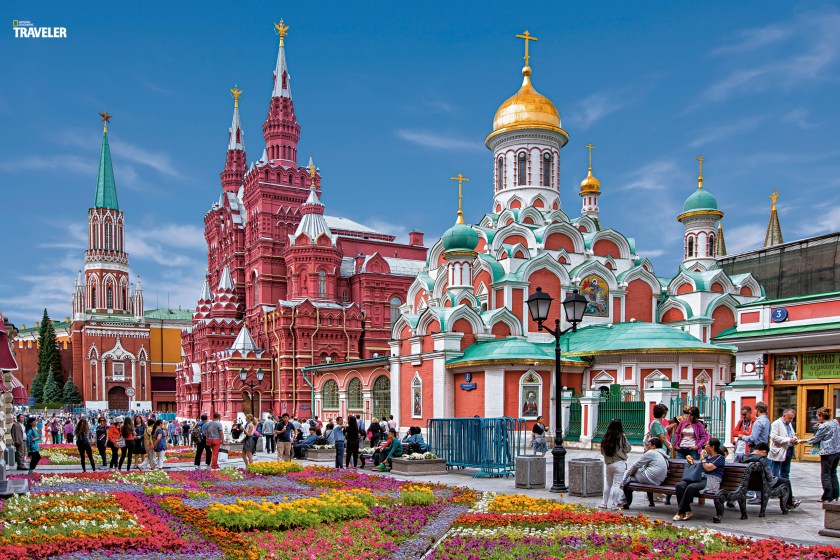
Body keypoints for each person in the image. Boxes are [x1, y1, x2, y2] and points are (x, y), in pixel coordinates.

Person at [673, 437, 727, 521]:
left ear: (712, 447)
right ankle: (687, 511)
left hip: (712, 480)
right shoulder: (706, 456)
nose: (704, 446)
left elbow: (708, 468)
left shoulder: (720, 458)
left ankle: (680, 511)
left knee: (691, 487)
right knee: (680, 485)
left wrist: (702, 457)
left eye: (706, 445)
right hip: (700, 478)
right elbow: (701, 467)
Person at [740, 441, 801, 510]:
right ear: (764, 451)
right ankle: (789, 504)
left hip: (746, 484)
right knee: (786, 481)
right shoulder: (761, 460)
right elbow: (769, 477)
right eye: (766, 454)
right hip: (762, 484)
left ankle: (790, 503)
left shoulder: (742, 457)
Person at [620, 438, 669, 508]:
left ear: (654, 446)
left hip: (650, 478)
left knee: (630, 478)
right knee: (633, 475)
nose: (647, 446)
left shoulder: (652, 452)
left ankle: (624, 501)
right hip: (658, 481)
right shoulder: (662, 453)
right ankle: (623, 494)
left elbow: (637, 465)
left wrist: (629, 475)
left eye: (649, 445)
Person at [807, 407, 840, 503]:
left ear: (821, 416)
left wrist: (804, 441)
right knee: (833, 473)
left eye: (818, 416)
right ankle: (836, 494)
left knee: (825, 474)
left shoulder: (823, 426)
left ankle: (827, 496)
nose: (817, 418)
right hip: (837, 451)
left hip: (827, 452)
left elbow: (816, 438)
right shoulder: (835, 422)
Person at [599, 418, 631, 509]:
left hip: (608, 464)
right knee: (616, 484)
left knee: (608, 484)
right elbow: (627, 449)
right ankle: (614, 504)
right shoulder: (621, 437)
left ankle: (604, 504)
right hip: (619, 464)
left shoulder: (605, 437)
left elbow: (602, 451)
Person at [769, 408, 797, 479]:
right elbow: (774, 437)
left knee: (785, 472)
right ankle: (774, 487)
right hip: (779, 450)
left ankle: (785, 487)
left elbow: (792, 434)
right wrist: (789, 439)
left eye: (792, 418)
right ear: (784, 416)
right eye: (790, 418)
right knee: (775, 471)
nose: (791, 420)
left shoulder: (789, 424)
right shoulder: (776, 424)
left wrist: (795, 439)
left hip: (788, 449)